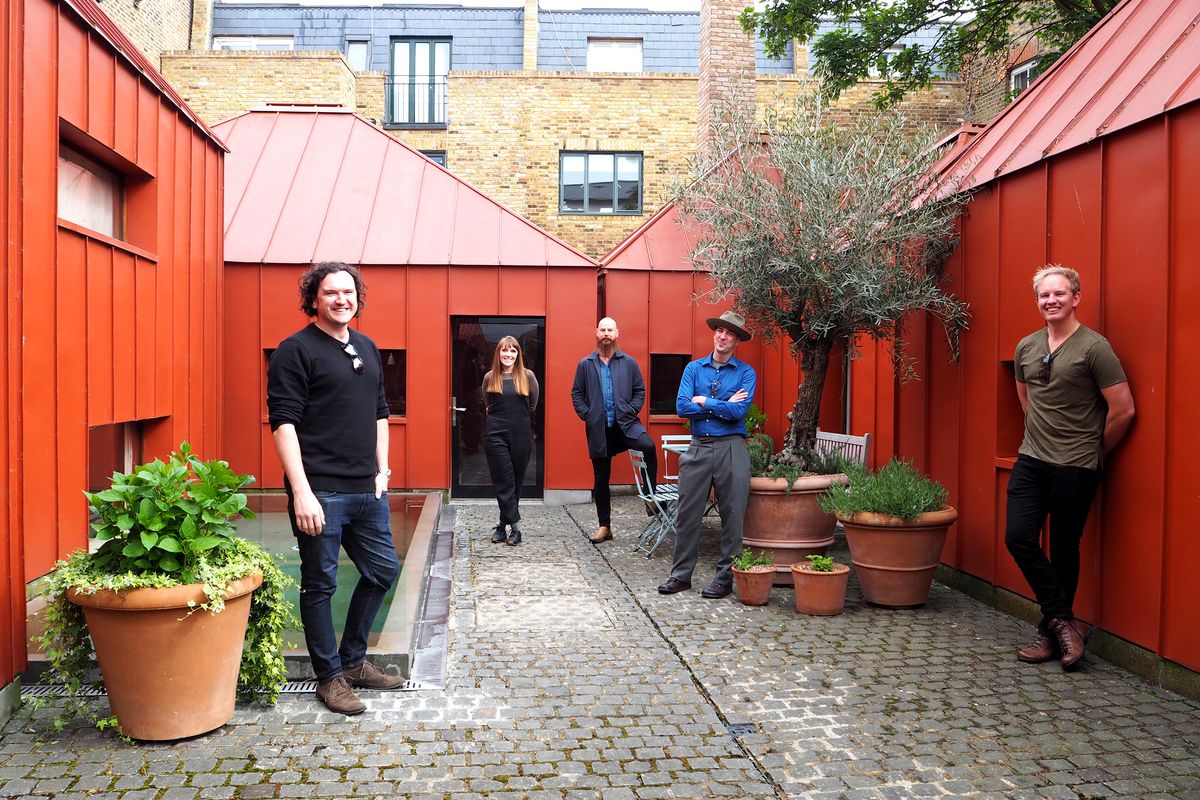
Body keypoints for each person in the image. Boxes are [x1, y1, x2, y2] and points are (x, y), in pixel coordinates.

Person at [267, 261, 404, 715]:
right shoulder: (295, 350)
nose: (342, 300)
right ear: (315, 299)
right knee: (320, 585)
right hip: (320, 492)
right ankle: (329, 678)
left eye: (348, 292)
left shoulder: (365, 346)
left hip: (367, 491)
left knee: (382, 571)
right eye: (331, 293)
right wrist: (301, 491)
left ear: (357, 298)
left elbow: (381, 414)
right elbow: (283, 424)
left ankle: (355, 661)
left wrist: (383, 471)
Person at [1006, 264, 1135, 671]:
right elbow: (1026, 401)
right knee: (1018, 538)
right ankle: (1065, 621)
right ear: (1037, 302)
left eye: (1059, 294)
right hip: (1032, 460)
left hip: (1076, 465)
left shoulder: (1095, 348)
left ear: (1075, 298)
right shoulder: (1026, 346)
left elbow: (1123, 410)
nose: (1051, 301)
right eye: (1044, 295)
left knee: (1064, 548)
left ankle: (1049, 632)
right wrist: (1040, 437)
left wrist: (1094, 451)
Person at [658, 310, 756, 599]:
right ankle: (680, 576)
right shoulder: (693, 369)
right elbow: (682, 408)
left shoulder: (745, 373)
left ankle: (724, 580)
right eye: (719, 331)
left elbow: (739, 411)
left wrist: (704, 400)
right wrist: (720, 403)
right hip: (698, 446)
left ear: (736, 339)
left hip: (732, 447)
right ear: (714, 334)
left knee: (732, 514)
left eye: (729, 333)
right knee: (688, 513)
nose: (722, 336)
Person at [571, 317, 658, 543]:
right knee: (601, 480)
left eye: (610, 330)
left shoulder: (628, 363)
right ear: (596, 333)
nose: (606, 333)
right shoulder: (586, 364)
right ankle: (605, 527)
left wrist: (630, 410)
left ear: (617, 333)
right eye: (603, 330)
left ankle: (650, 497)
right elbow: (577, 394)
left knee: (648, 445)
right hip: (600, 429)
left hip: (626, 425)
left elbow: (640, 391)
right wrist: (587, 414)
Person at [481, 336, 540, 546]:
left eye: (513, 351)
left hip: (521, 432)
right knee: (503, 481)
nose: (508, 355)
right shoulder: (490, 377)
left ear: (518, 354)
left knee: (515, 481)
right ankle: (516, 529)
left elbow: (532, 405)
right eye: (504, 351)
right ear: (498, 353)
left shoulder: (528, 376)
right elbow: (487, 404)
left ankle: (501, 526)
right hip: (495, 432)